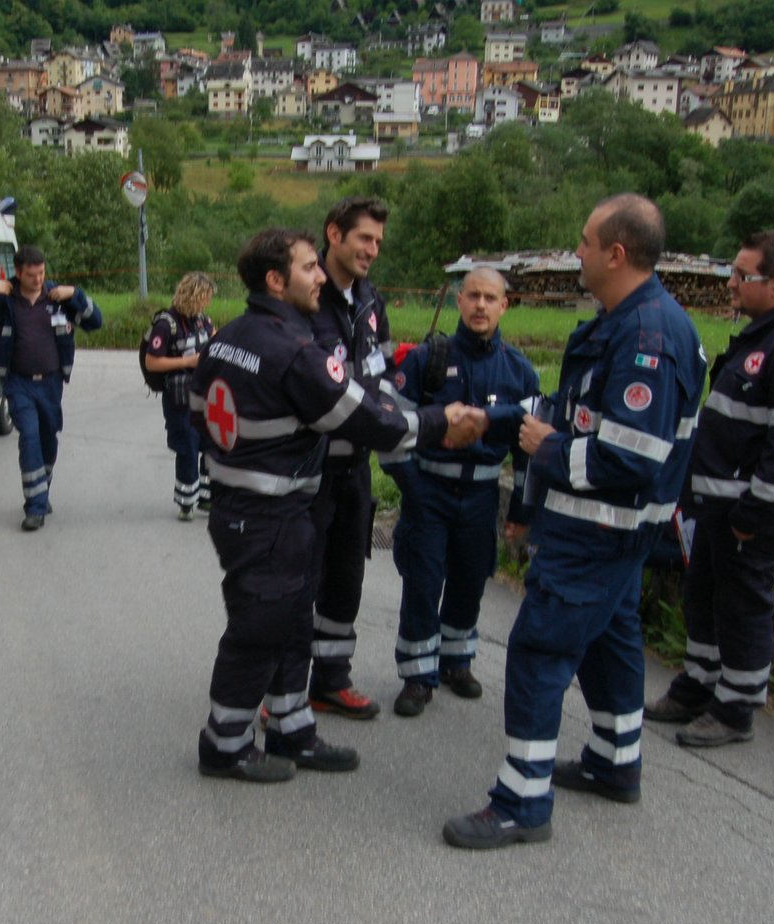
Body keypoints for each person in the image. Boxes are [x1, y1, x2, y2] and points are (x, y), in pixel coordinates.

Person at [443, 194, 706, 849]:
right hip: (609, 532)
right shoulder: (617, 322)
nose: (577, 251)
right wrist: (496, 418)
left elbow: (631, 456)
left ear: (616, 253)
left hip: (599, 530)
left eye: (585, 242)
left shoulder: (649, 340)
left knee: (538, 652)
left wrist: (545, 450)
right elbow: (565, 406)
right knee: (611, 638)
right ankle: (617, 762)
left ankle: (522, 803)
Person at [188, 228, 485, 783]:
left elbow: (196, 412)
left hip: (248, 510)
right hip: (270, 515)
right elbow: (366, 419)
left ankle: (291, 728)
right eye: (308, 269)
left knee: (292, 621)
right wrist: (442, 422)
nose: (321, 277)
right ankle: (224, 744)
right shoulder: (294, 350)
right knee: (259, 630)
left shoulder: (226, 336)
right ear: (276, 281)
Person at [644, 230, 774, 747]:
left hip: (752, 513)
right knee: (704, 590)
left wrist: (753, 515)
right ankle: (699, 684)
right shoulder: (765, 332)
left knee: (742, 602)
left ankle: (735, 709)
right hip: (721, 503)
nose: (730, 283)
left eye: (741, 275)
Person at [381, 267, 540, 718]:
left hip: (482, 496)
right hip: (428, 487)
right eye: (473, 296)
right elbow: (392, 429)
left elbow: (529, 448)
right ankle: (416, 675)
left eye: (491, 298)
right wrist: (412, 488)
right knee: (423, 580)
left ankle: (456, 662)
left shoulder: (520, 372)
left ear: (504, 305)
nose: (481, 306)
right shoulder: (425, 360)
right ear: (459, 300)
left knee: (472, 580)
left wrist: (524, 509)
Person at [304, 196, 393, 720]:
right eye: (365, 238)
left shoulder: (369, 300)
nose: (372, 250)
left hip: (355, 470)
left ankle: (331, 680)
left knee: (345, 578)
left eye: (378, 242)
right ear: (334, 234)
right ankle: (285, 685)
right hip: (309, 466)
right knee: (299, 581)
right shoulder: (305, 293)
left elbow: (377, 371)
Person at [0, 246, 102, 531]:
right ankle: (34, 507)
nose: (38, 280)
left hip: (50, 383)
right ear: (18, 272)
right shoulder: (3, 302)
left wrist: (76, 295)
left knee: (48, 438)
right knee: (30, 436)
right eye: (32, 275)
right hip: (17, 382)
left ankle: (41, 489)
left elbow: (96, 323)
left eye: (42, 273)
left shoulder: (57, 299)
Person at [143, 271, 217, 519]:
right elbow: (152, 363)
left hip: (206, 394)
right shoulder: (166, 324)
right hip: (180, 398)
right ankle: (186, 502)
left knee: (211, 445)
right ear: (194, 296)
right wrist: (189, 361)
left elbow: (215, 341)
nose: (207, 303)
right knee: (187, 445)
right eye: (205, 298)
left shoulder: (202, 320)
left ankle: (208, 498)